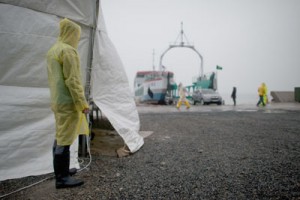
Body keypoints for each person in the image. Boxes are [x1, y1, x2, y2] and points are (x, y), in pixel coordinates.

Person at [46, 18, 89, 189]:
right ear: (72, 33)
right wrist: (82, 103)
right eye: (77, 35)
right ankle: (62, 178)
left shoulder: (53, 50)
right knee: (64, 139)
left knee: (60, 135)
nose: (77, 38)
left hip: (57, 100)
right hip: (68, 101)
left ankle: (61, 171)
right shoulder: (68, 51)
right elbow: (73, 81)